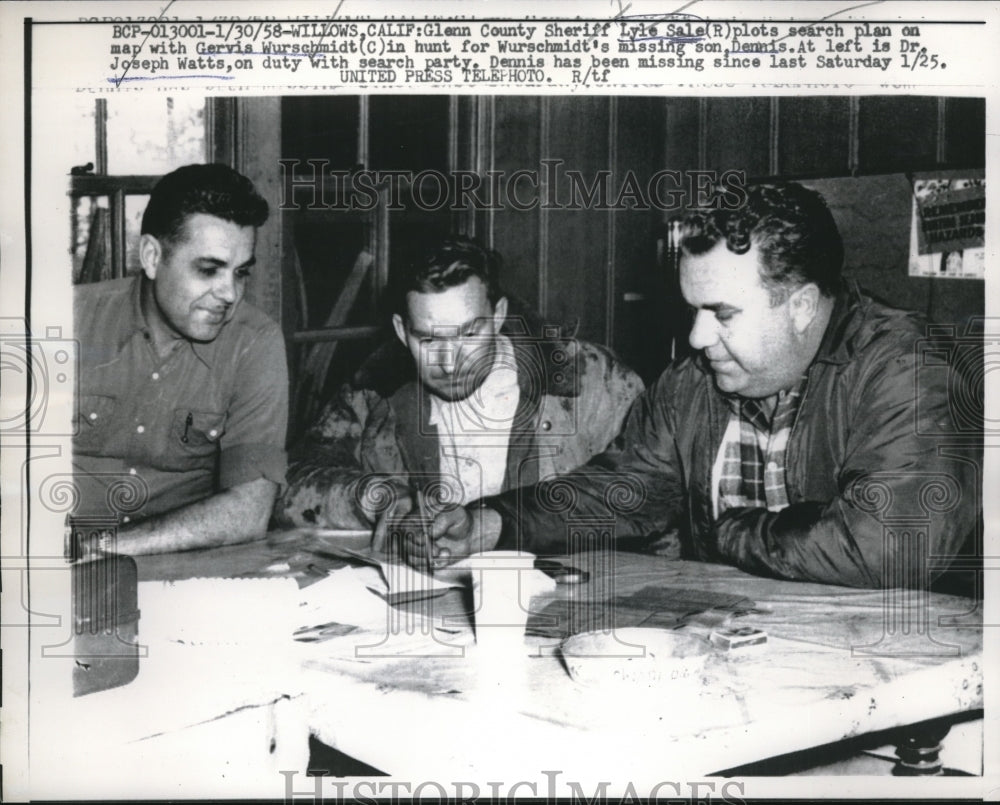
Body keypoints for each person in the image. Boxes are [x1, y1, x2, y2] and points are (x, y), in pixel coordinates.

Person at [416, 183, 978, 589]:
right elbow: (627, 488)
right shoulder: (693, 383)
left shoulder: (908, 367)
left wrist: (731, 534)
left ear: (802, 306)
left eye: (722, 313)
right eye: (692, 309)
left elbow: (895, 544)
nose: (697, 335)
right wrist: (497, 522)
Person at [275, 237, 646, 551]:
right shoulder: (373, 391)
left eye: (469, 335)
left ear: (498, 315)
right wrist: (379, 499)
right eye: (429, 339)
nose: (450, 364)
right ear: (402, 332)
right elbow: (287, 483)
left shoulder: (590, 379)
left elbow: (653, 498)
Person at [73, 163, 288, 555]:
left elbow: (249, 511)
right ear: (152, 257)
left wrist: (100, 548)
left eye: (241, 274)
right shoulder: (65, 322)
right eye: (209, 270)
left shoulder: (255, 343)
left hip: (181, 568)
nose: (229, 294)